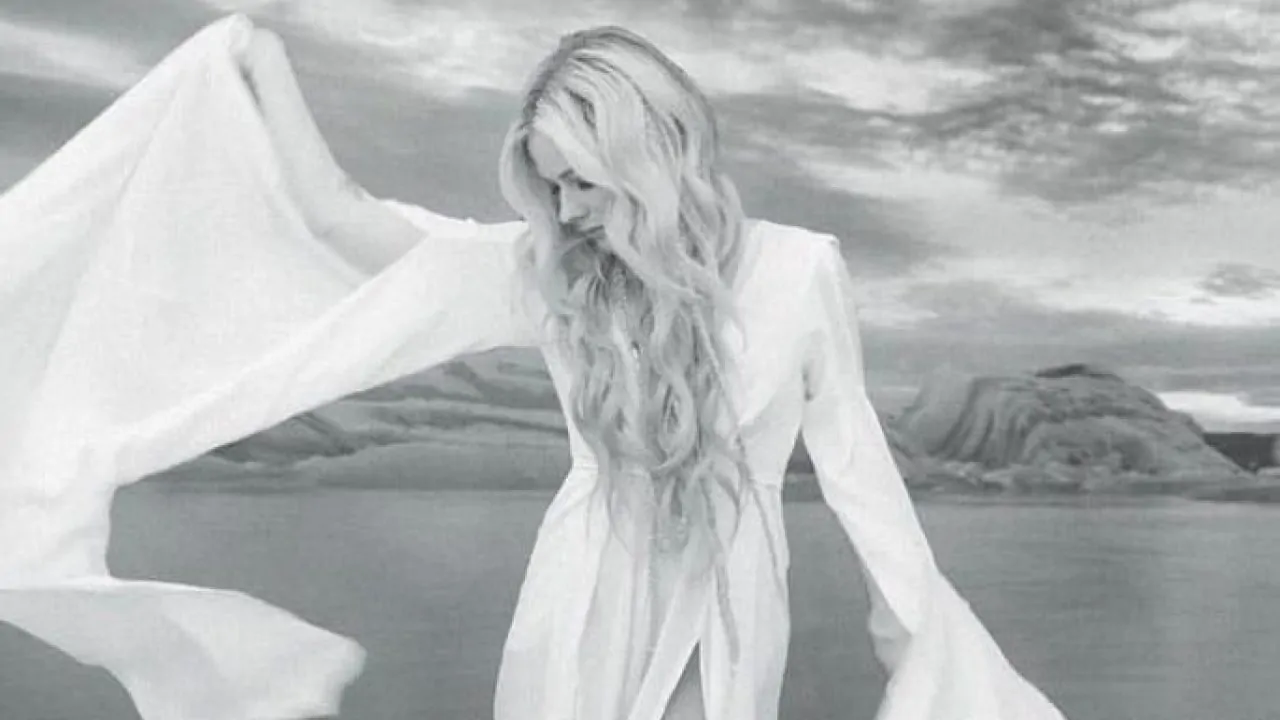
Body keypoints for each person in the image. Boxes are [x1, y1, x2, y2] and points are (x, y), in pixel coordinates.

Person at [0, 15, 1066, 720]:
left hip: (731, 596)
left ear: (653, 153)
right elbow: (342, 220)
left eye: (583, 182)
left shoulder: (800, 271)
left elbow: (858, 470)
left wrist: (917, 642)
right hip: (584, 587)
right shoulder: (551, 275)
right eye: (549, 185)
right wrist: (256, 60)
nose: (564, 209)